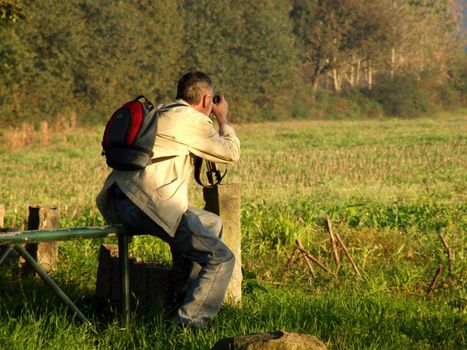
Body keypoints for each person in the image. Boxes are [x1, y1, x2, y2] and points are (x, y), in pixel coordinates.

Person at [96, 71, 240, 328]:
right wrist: (223, 118)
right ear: (207, 99)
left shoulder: (162, 112)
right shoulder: (190, 120)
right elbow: (230, 153)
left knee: (211, 224)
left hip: (122, 201)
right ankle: (188, 325)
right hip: (146, 206)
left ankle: (181, 300)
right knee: (221, 258)